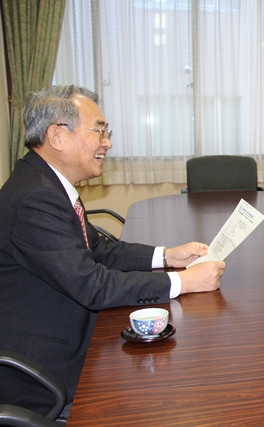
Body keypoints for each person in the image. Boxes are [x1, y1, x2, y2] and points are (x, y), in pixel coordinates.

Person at [0, 85, 226, 416]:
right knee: (164, 400)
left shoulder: (43, 182)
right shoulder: (36, 197)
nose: (107, 143)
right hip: (47, 373)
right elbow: (93, 286)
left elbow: (99, 249)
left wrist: (166, 256)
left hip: (69, 333)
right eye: (99, 131)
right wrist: (184, 282)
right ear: (58, 136)